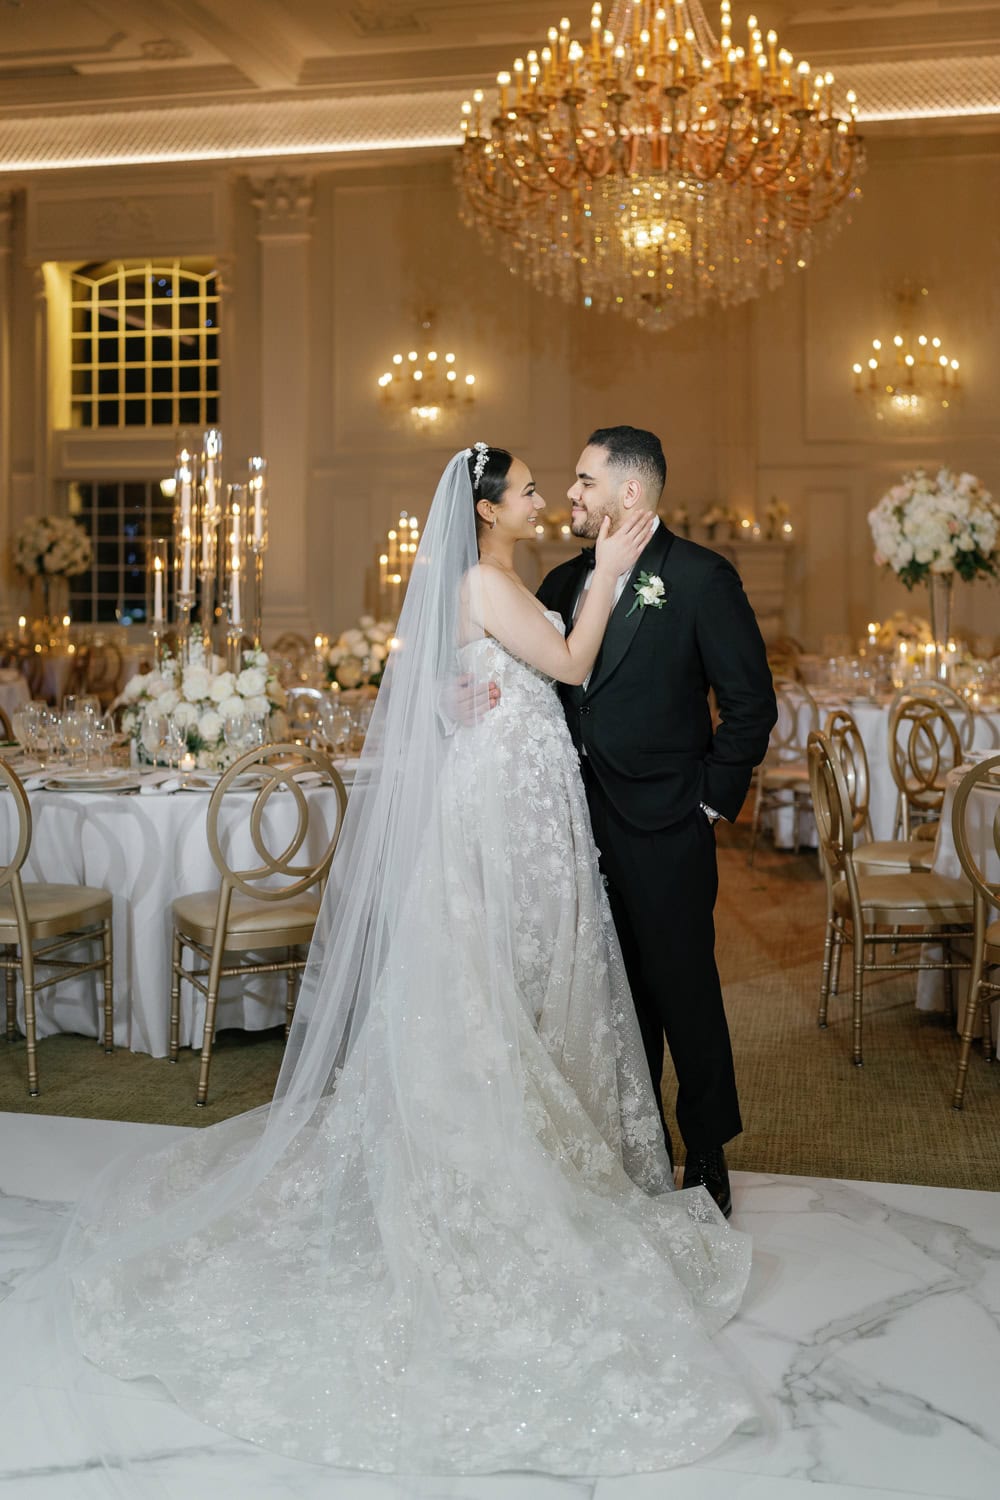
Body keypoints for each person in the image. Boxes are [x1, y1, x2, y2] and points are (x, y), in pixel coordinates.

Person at [31, 447, 755, 1492]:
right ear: (488, 507)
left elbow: (495, 674)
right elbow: (568, 666)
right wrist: (597, 585)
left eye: (573, 482)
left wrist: (497, 674)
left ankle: (615, 1141)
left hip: (546, 811)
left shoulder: (525, 578)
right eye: (535, 488)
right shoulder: (497, 578)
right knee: (489, 980)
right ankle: (492, 1151)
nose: (552, 495)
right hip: (509, 815)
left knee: (547, 979)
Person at [537, 426, 778, 1219]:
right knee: (612, 991)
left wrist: (709, 800)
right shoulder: (563, 579)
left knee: (684, 989)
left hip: (669, 820)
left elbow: (750, 704)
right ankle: (642, 1147)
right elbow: (533, 682)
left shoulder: (702, 578)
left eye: (583, 481)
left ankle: (706, 1149)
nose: (569, 494)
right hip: (575, 821)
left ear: (629, 493)